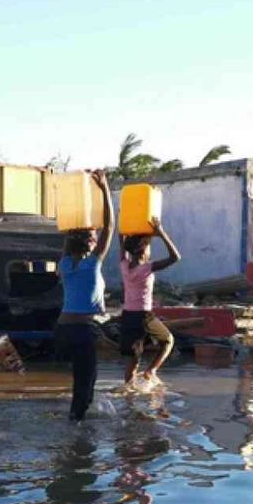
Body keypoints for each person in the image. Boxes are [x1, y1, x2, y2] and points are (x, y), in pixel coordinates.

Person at [55, 170, 114, 421]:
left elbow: (69, 240)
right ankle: (77, 439)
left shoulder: (65, 264)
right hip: (80, 331)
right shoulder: (92, 264)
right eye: (93, 236)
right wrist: (104, 188)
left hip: (62, 330)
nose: (97, 238)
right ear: (91, 244)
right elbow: (111, 225)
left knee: (86, 380)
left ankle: (79, 421)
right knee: (84, 384)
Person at [118, 217, 181, 388]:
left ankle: (128, 398)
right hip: (143, 316)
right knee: (168, 340)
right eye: (148, 245)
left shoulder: (124, 264)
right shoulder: (147, 268)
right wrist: (161, 232)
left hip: (127, 316)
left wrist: (123, 222)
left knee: (133, 360)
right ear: (143, 250)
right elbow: (176, 257)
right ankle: (151, 371)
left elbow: (121, 241)